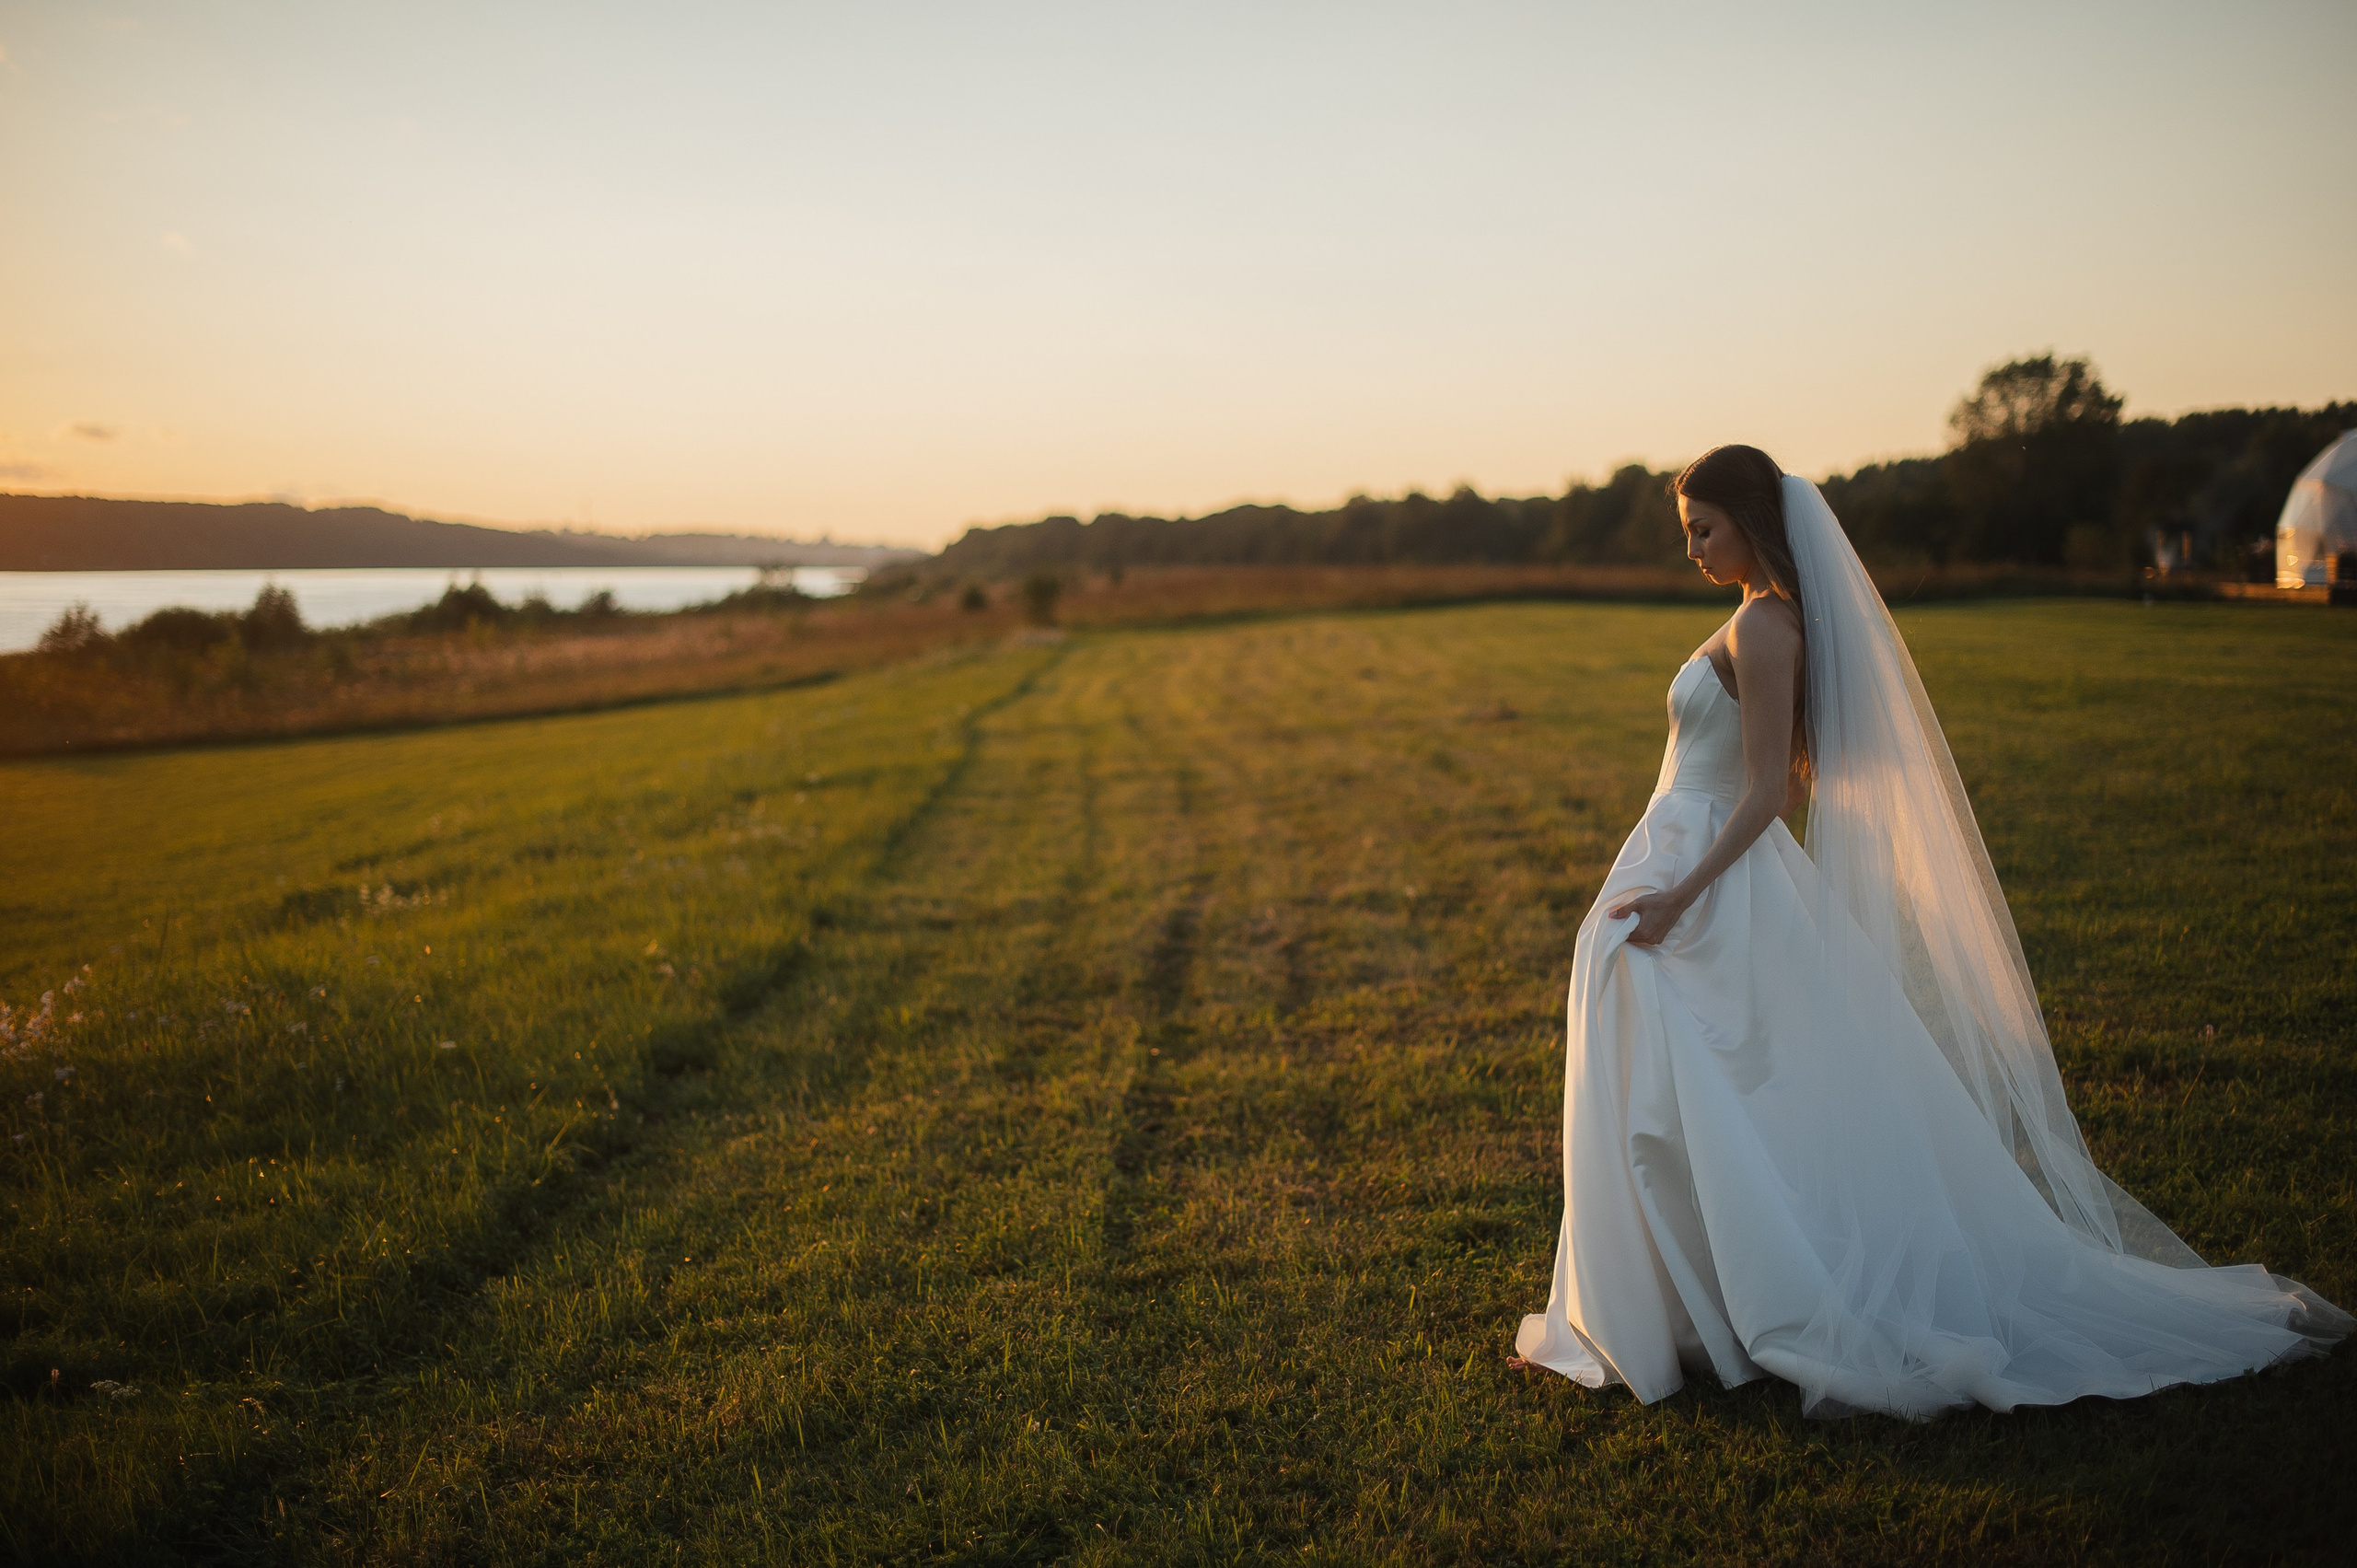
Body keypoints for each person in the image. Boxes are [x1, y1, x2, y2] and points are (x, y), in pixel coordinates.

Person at [1511, 445, 2348, 1419]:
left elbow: (1772, 793)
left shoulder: (1768, 626)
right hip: (1683, 862)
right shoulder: (1751, 620)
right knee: (1668, 1088)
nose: (1692, 547)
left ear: (1751, 521)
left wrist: (1680, 894)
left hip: (1713, 879)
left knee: (1704, 1090)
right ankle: (1668, 1303)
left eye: (1705, 528)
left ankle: (1712, 1302)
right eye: (1685, 531)